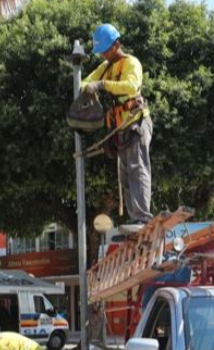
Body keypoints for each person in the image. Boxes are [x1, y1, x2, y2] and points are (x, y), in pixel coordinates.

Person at [82, 23, 153, 234]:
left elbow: (131, 86)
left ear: (116, 45)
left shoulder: (131, 63)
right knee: (125, 176)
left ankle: (142, 218)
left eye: (105, 50)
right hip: (121, 127)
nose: (103, 55)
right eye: (101, 51)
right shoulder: (105, 68)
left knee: (137, 169)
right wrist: (88, 89)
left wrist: (103, 85)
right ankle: (135, 221)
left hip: (136, 122)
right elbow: (85, 82)